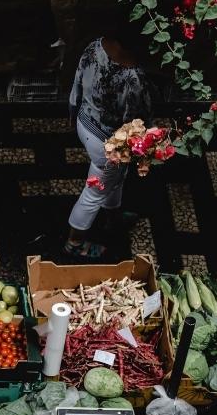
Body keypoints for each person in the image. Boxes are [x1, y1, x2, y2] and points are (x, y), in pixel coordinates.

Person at [65, 32, 155, 260]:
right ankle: (74, 243)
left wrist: (73, 115)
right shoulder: (134, 77)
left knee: (115, 177)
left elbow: (77, 84)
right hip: (108, 144)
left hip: (84, 123)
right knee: (94, 193)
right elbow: (135, 123)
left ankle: (112, 218)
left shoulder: (96, 45)